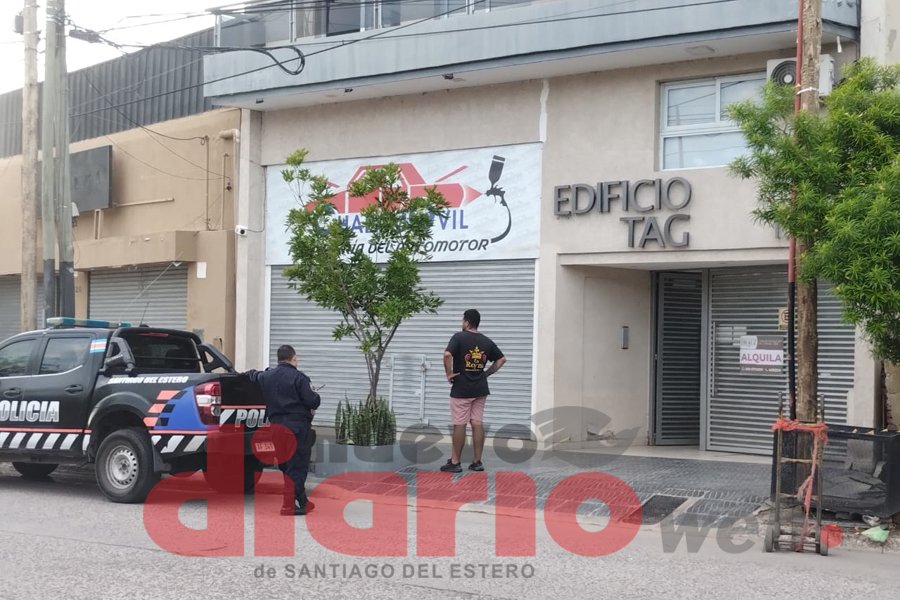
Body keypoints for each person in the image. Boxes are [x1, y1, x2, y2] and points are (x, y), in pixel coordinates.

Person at [245, 344, 321, 516]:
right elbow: (313, 401)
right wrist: (315, 393)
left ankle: (303, 501)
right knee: (298, 465)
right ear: (294, 358)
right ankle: (288, 504)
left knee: (286, 465)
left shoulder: (266, 376)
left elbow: (252, 375)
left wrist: (246, 373)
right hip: (296, 427)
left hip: (276, 427)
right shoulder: (300, 378)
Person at [442, 309, 506, 473]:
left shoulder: (458, 337)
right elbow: (501, 359)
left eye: (462, 320)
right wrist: (486, 374)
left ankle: (455, 462)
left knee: (460, 424)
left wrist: (449, 373)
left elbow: (447, 355)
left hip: (462, 388)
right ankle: (477, 462)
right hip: (480, 389)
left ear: (466, 322)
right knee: (477, 423)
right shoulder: (486, 341)